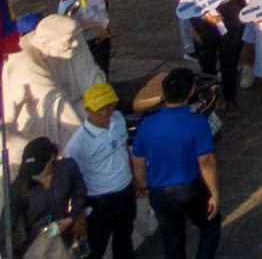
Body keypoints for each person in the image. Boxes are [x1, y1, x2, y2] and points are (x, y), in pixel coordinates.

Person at [129, 69, 218, 259]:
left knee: (172, 239)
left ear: (163, 93)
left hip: (160, 192)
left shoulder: (147, 124)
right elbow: (206, 161)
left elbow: (138, 161)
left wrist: (143, 185)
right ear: (191, 91)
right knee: (210, 226)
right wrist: (214, 193)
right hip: (190, 188)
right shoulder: (198, 122)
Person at [66, 81, 134, 259]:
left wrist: (135, 178)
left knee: (124, 238)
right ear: (88, 110)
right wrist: (78, 213)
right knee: (97, 247)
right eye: (99, 108)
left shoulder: (118, 119)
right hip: (100, 202)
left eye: (109, 105)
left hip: (126, 193)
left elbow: (124, 147)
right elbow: (73, 180)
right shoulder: (77, 145)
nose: (106, 112)